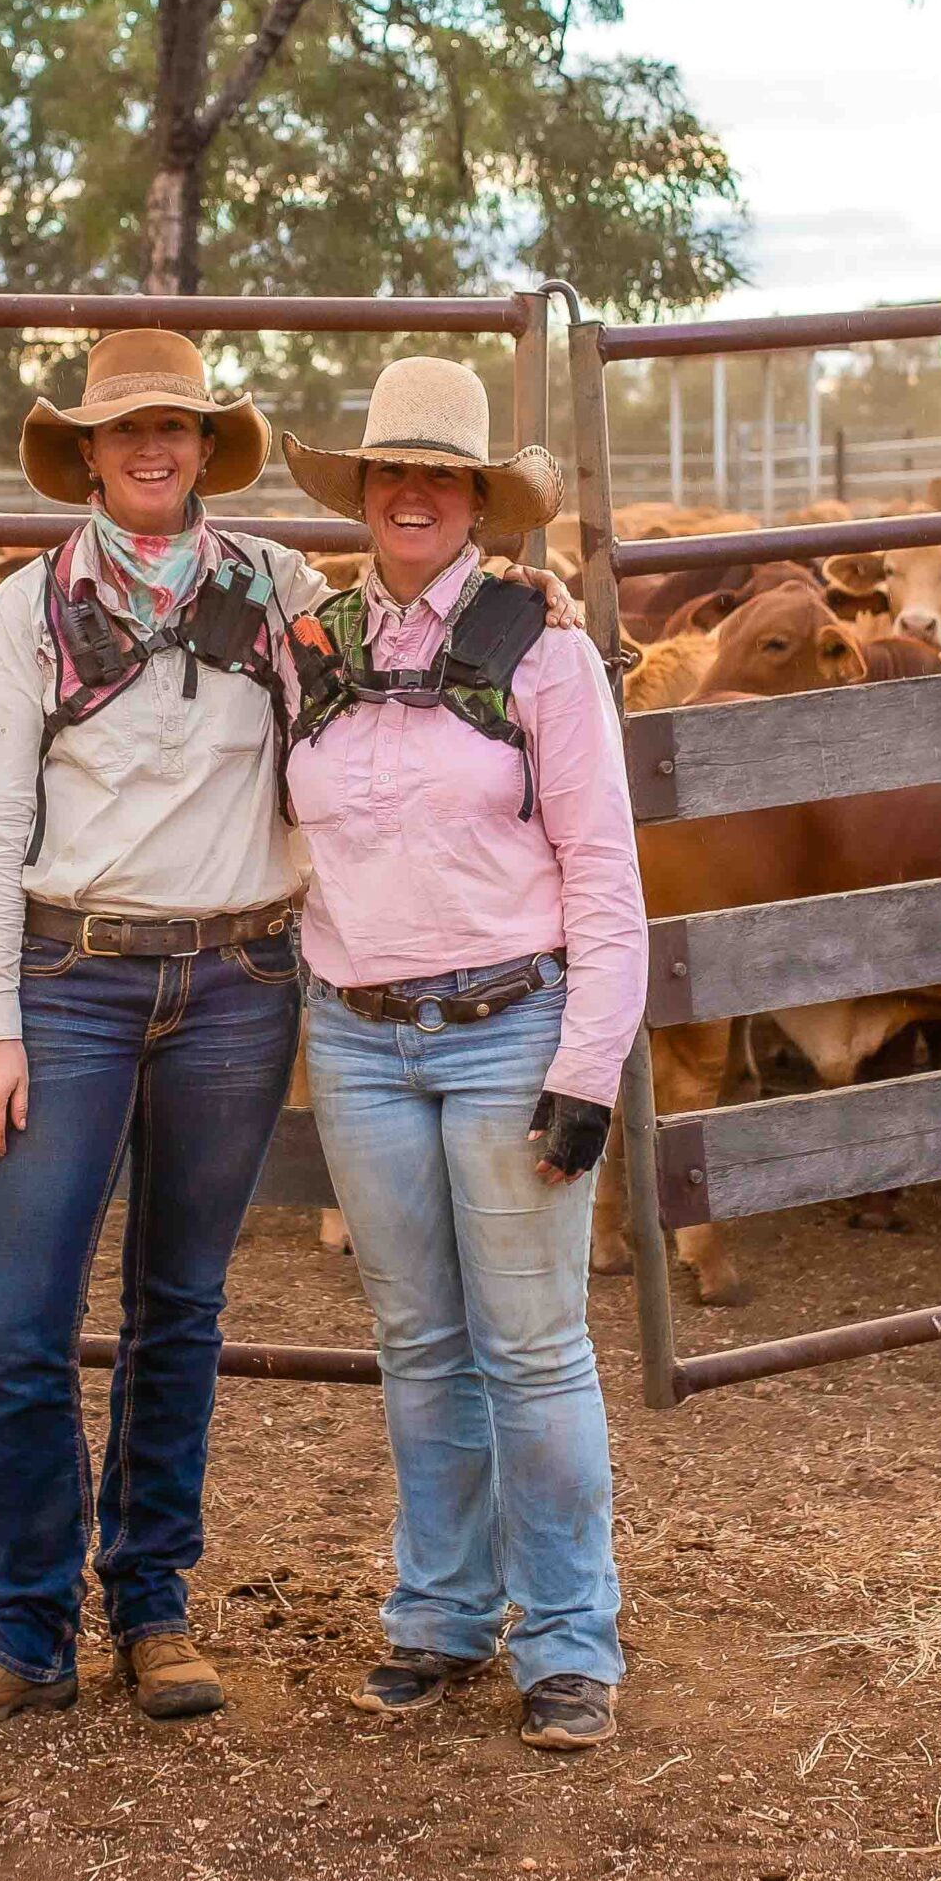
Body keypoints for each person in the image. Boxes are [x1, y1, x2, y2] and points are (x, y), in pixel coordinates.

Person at [0, 329, 570, 1741]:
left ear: (209, 449)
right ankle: (25, 1623)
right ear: (83, 453)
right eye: (124, 429)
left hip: (232, 987)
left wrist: (526, 593)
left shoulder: (276, 593)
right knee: (21, 1318)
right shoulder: (25, 611)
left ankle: (151, 1607)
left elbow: (419, 630)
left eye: (178, 427)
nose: (152, 448)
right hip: (68, 977)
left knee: (180, 1310)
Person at [281, 355, 648, 1754]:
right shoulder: (307, 642)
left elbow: (604, 876)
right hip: (358, 1036)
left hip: (511, 1030)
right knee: (416, 1341)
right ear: (363, 495)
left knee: (534, 1345)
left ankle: (566, 1637)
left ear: (478, 499)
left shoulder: (539, 650)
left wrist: (585, 1068)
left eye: (442, 474)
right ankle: (438, 1614)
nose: (414, 493)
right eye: (392, 473)